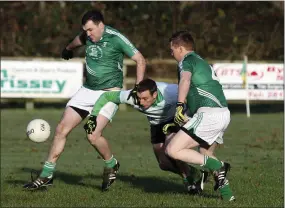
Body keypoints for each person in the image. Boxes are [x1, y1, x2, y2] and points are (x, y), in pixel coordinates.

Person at [23, 10, 146, 191]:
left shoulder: (116, 37)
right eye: (85, 31)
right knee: (61, 129)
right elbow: (78, 40)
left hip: (109, 93)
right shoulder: (87, 36)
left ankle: (111, 164)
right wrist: (68, 48)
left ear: (100, 25)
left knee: (93, 135)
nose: (88, 34)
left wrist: (138, 88)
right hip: (87, 90)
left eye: (90, 30)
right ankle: (46, 175)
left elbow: (140, 60)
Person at [84, 78, 208, 194]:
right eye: (139, 98)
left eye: (145, 98)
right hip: (156, 125)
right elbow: (106, 96)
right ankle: (194, 173)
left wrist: (189, 118)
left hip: (176, 120)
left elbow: (193, 97)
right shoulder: (132, 97)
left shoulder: (171, 92)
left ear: (155, 95)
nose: (141, 102)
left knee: (172, 149)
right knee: (164, 164)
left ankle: (189, 182)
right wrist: (93, 116)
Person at [164, 30, 235, 201]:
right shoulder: (202, 62)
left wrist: (179, 106)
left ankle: (218, 165)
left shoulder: (186, 61)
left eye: (171, 50)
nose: (171, 54)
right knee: (204, 152)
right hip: (223, 114)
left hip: (209, 115)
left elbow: (185, 80)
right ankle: (228, 195)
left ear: (180, 48)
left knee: (172, 150)